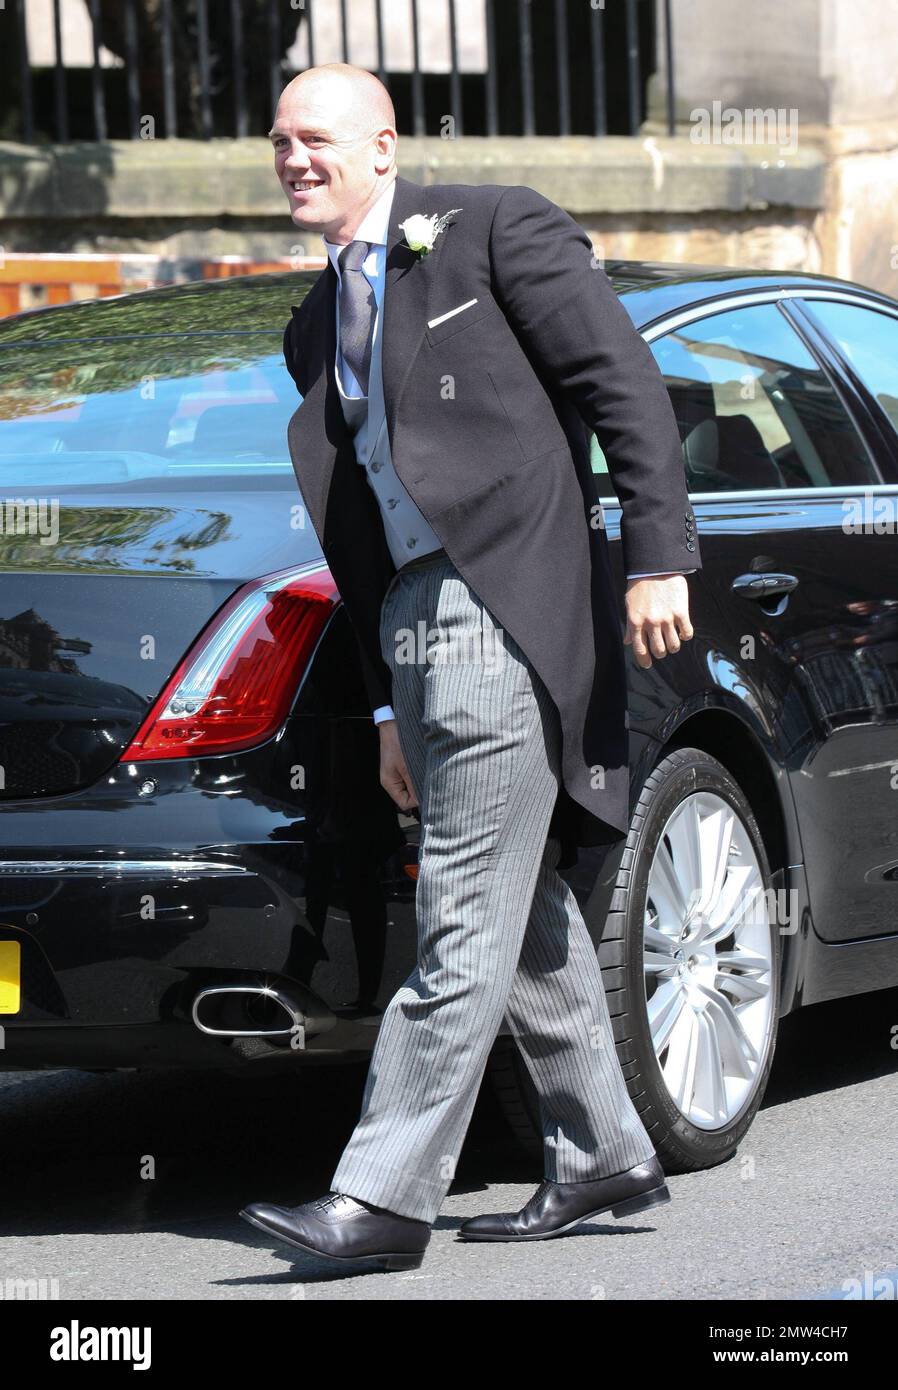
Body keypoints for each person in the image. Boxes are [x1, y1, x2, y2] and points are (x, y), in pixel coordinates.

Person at [241, 62, 701, 1275]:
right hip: (412, 625)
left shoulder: (490, 228)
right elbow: (354, 527)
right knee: (516, 901)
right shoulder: (312, 320)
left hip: (507, 602)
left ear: (386, 149)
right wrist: (390, 699)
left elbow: (620, 381)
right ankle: (602, 1149)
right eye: (279, 141)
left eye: (318, 138)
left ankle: (383, 1197)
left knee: (456, 910)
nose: (293, 158)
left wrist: (658, 554)